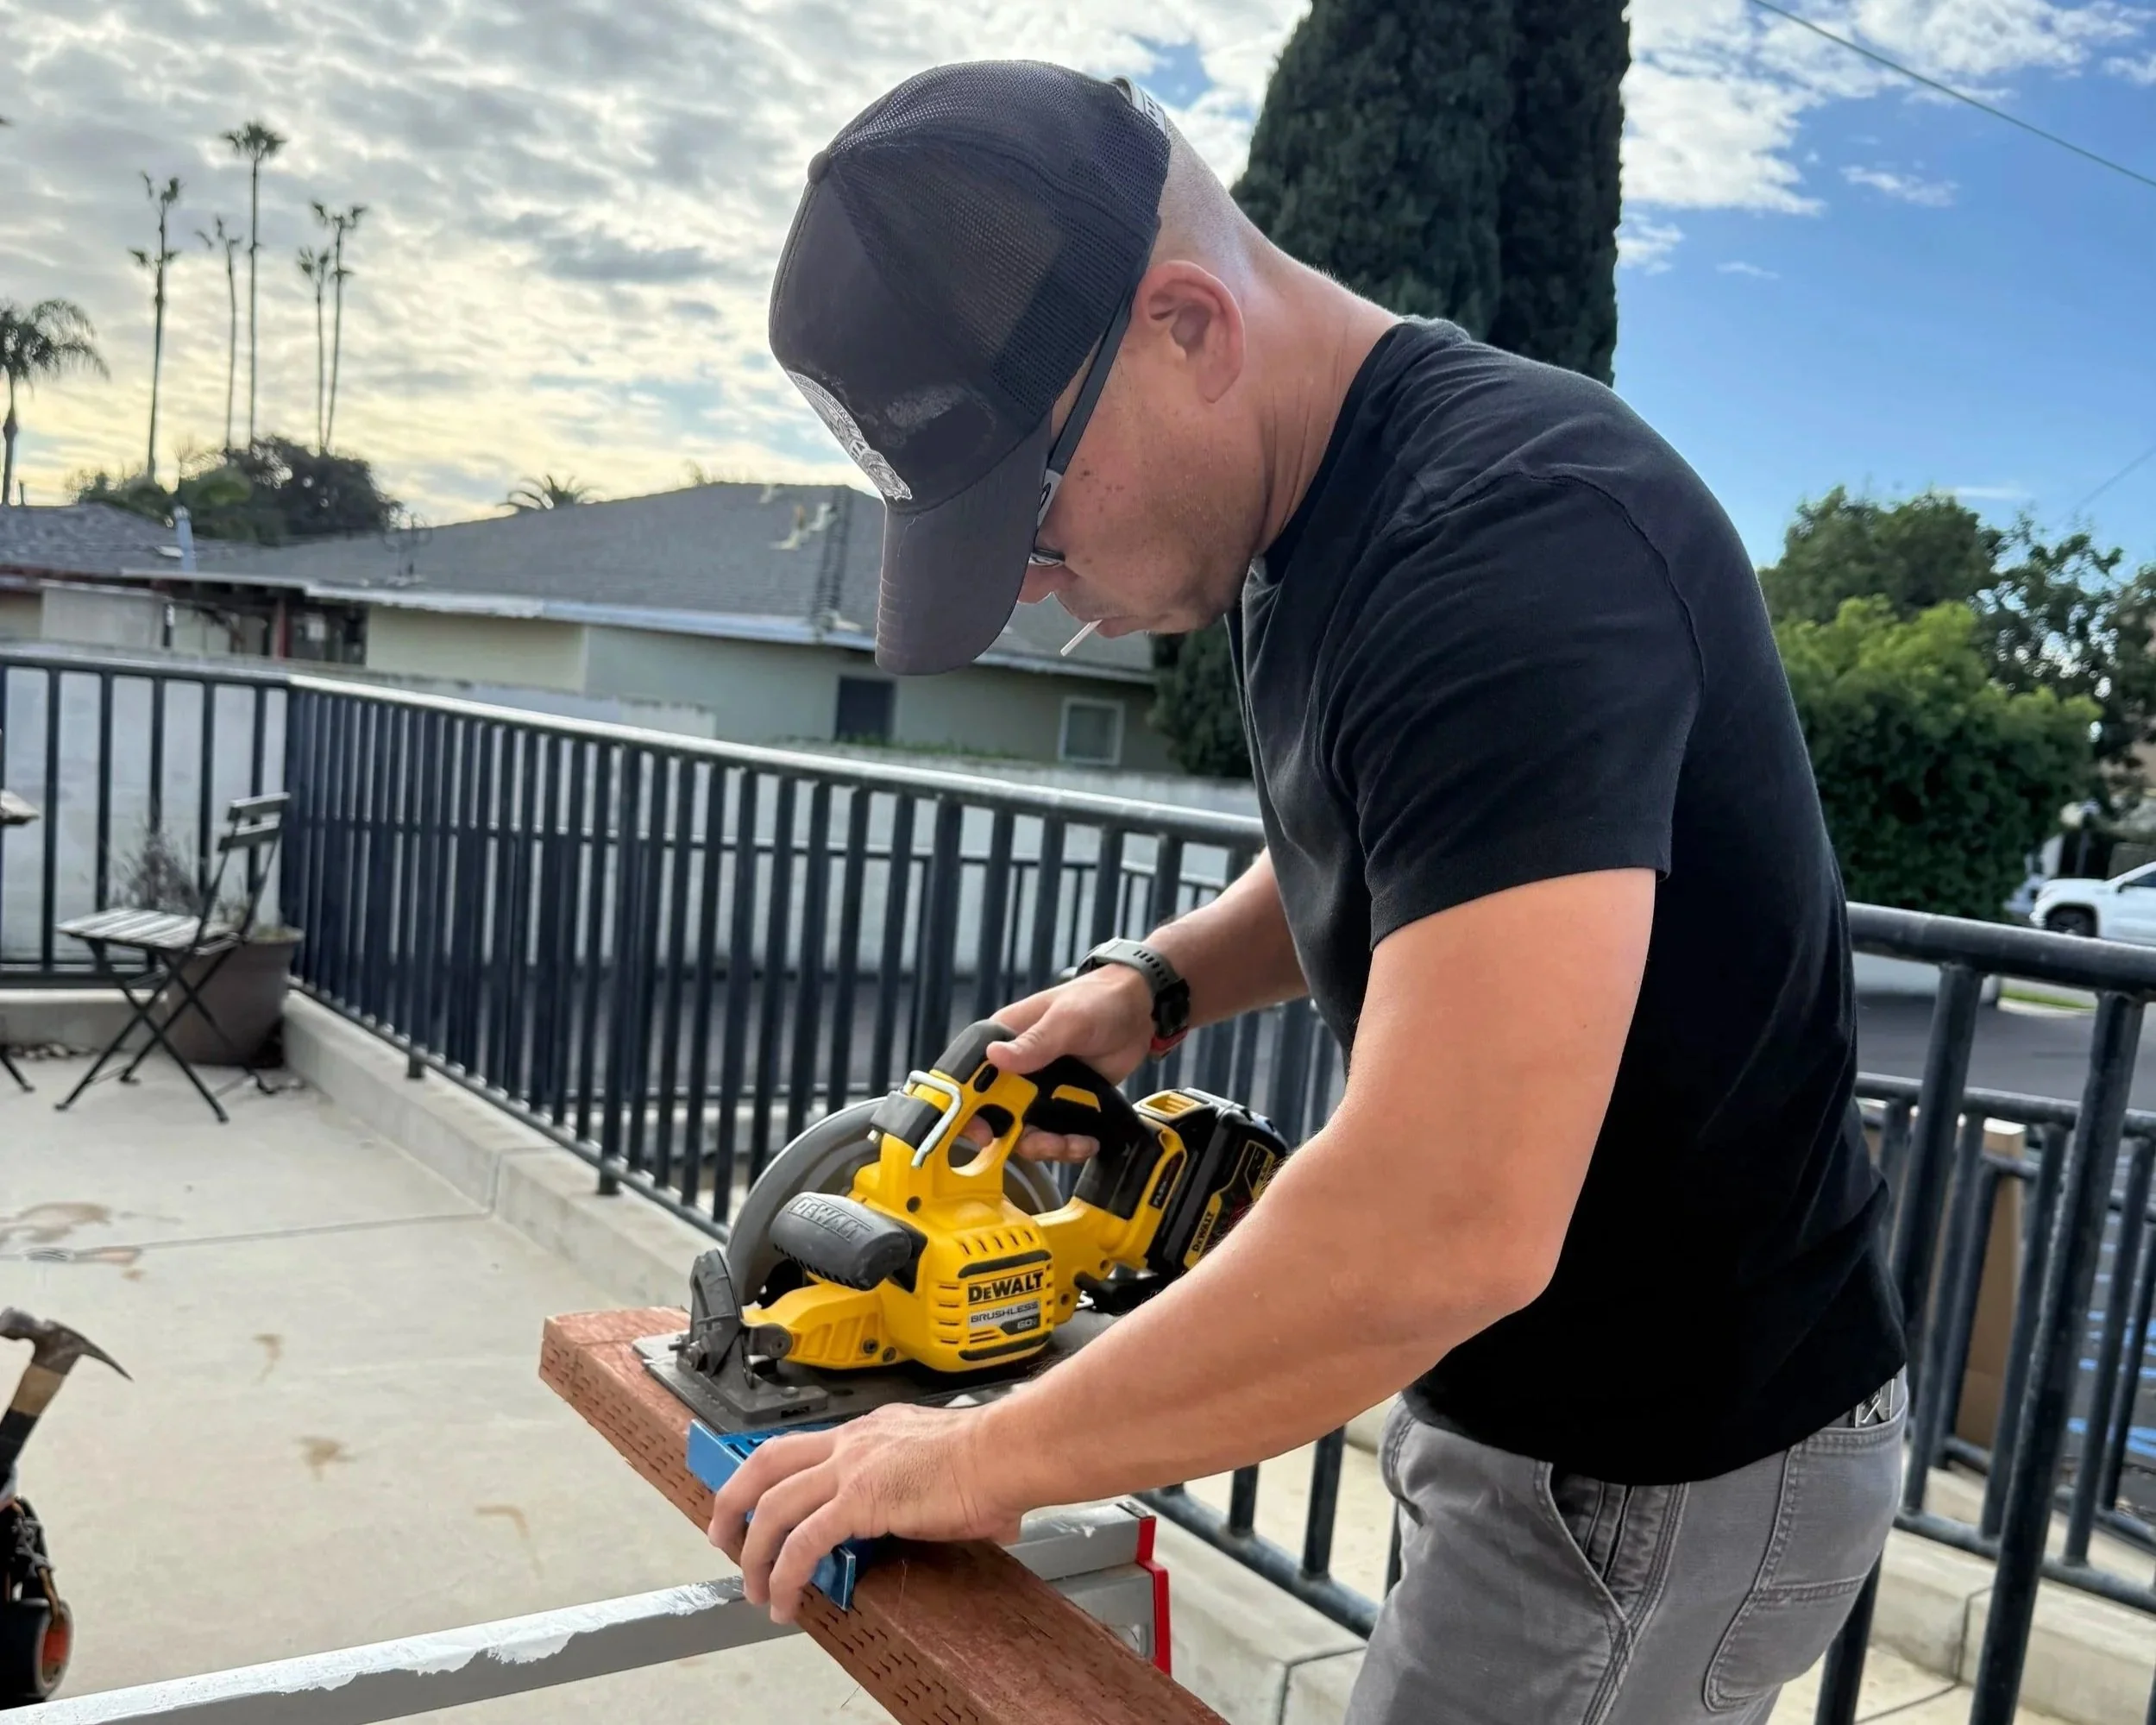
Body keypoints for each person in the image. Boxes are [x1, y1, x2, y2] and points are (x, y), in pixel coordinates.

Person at [709, 60, 1908, 1725]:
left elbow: (1442, 1218)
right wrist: (1159, 981)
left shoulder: (1508, 544)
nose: (1042, 593)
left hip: (1658, 1461)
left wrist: (975, 1459)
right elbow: (1420, 833)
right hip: (1550, 1412)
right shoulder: (1314, 510)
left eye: (1034, 519)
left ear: (1187, 327)